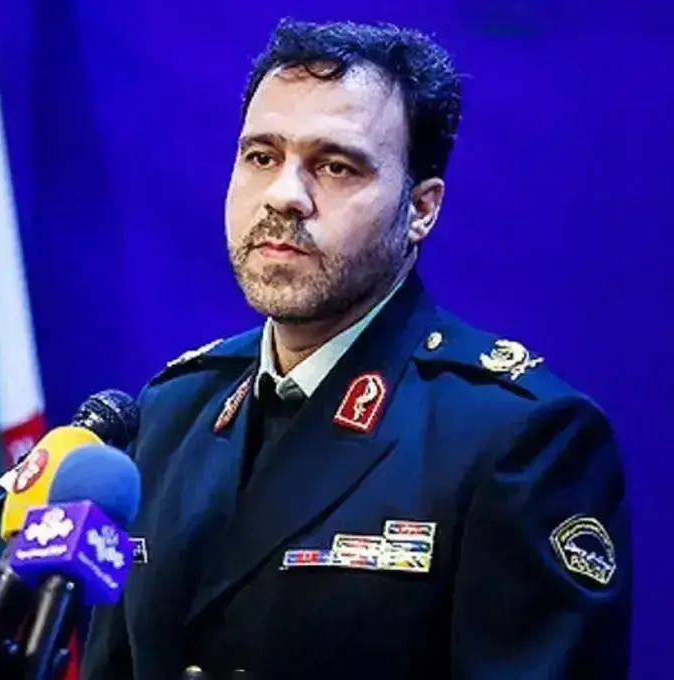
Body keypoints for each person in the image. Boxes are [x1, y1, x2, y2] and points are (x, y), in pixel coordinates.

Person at [81, 18, 631, 680]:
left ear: (421, 209)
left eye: (335, 166)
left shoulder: (519, 439)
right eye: (262, 157)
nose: (285, 195)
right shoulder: (171, 410)